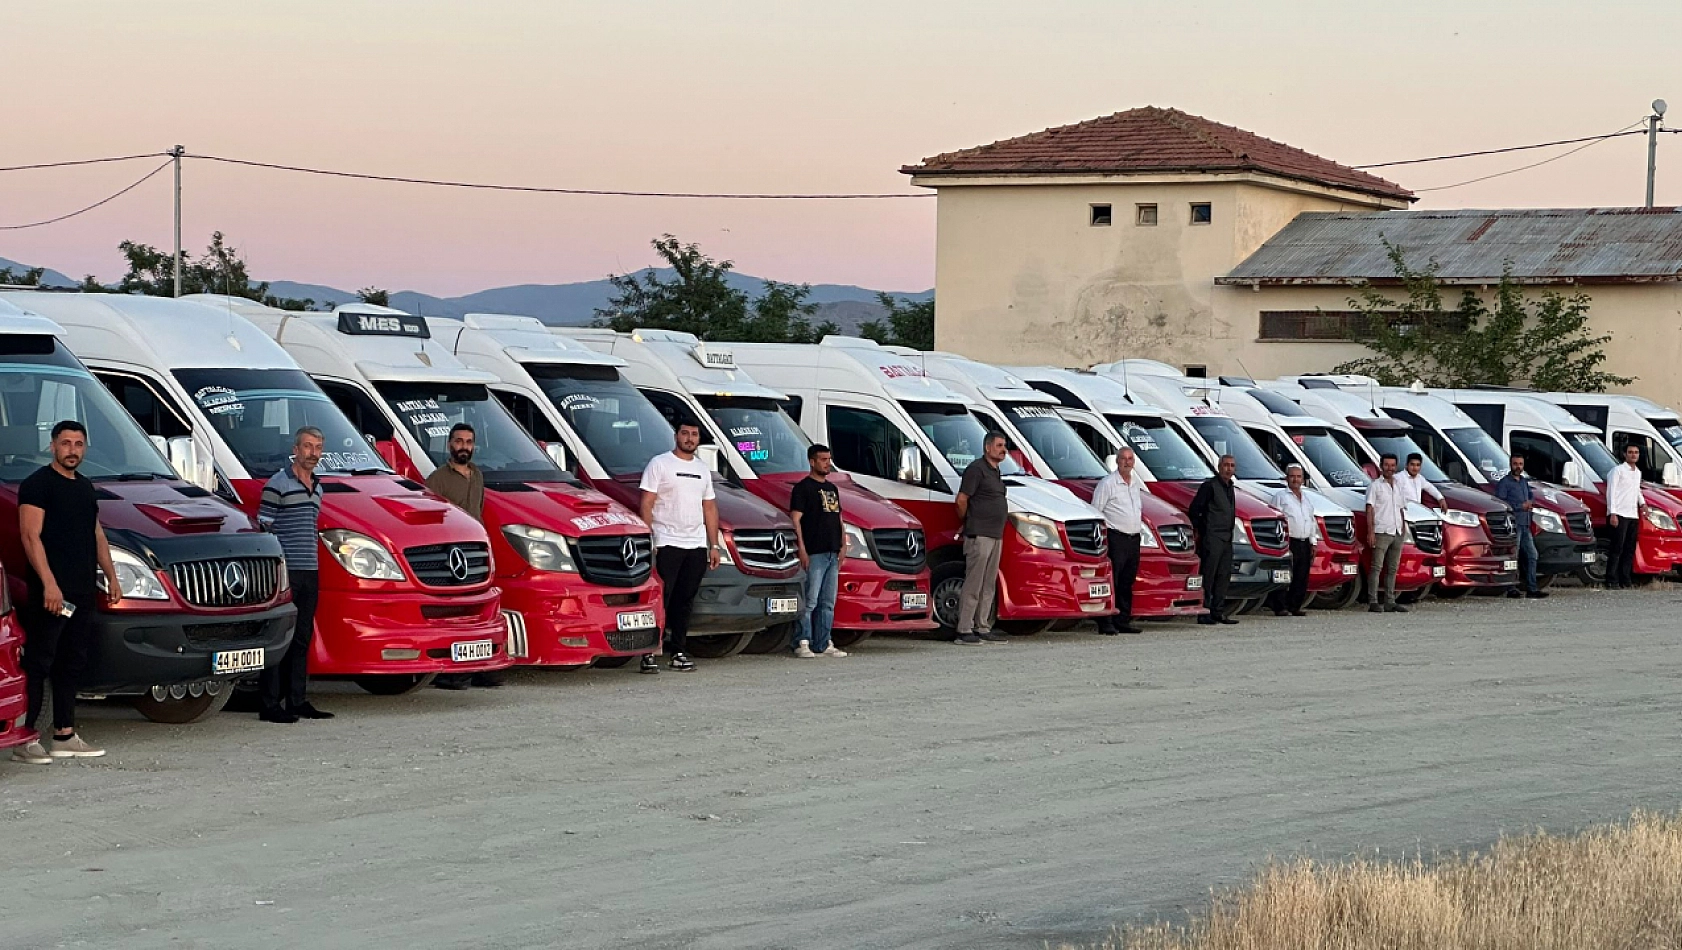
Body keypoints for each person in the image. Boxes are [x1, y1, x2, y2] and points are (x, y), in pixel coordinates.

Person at [11, 421, 119, 764]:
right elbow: (30, 537)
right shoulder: (37, 485)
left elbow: (97, 534)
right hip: (51, 594)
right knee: (40, 662)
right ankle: (24, 739)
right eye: (66, 443)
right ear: (52, 446)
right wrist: (49, 584)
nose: (72, 450)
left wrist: (111, 576)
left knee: (72, 663)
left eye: (79, 444)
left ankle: (64, 735)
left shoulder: (86, 488)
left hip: (82, 591)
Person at [256, 426, 334, 723]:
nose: (313, 453)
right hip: (286, 572)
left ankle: (297, 700)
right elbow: (265, 528)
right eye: (307, 447)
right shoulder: (278, 484)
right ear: (296, 448)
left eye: (318, 448)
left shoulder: (318, 487)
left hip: (309, 570)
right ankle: (270, 704)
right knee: (280, 638)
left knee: (302, 637)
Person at [425, 423, 502, 689]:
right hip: (450, 556)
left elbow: (478, 511)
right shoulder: (437, 479)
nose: (464, 447)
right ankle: (448, 672)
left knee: (478, 609)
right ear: (449, 445)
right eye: (459, 441)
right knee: (453, 611)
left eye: (469, 442)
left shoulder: (478, 476)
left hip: (476, 552)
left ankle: (480, 667)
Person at [639, 422, 720, 672]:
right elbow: (647, 503)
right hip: (666, 542)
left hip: (695, 544)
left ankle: (679, 651)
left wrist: (713, 544)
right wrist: (648, 538)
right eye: (685, 433)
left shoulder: (703, 470)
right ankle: (649, 652)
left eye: (694, 434)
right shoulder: (660, 464)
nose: (689, 438)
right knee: (662, 598)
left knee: (685, 600)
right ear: (676, 436)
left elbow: (709, 507)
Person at [788, 444, 847, 658]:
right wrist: (801, 548)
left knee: (827, 602)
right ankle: (802, 640)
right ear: (812, 461)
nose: (827, 463)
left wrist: (843, 544)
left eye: (828, 459)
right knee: (810, 599)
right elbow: (796, 520)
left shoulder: (833, 489)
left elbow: (838, 517)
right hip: (814, 551)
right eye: (823, 459)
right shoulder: (803, 488)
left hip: (832, 551)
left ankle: (823, 642)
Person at [953, 431, 1009, 645]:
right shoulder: (976, 470)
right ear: (987, 447)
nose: (1003, 450)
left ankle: (982, 626)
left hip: (996, 535)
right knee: (974, 583)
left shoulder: (996, 472)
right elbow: (961, 500)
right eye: (999, 445)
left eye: (1004, 446)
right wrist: (969, 520)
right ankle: (964, 628)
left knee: (988, 584)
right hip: (980, 534)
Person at [1091, 446, 1144, 635]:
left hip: (1133, 539)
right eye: (1123, 458)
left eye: (1130, 459)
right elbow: (1096, 510)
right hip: (1116, 537)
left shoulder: (1135, 483)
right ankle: (1106, 622)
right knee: (1112, 580)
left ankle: (1123, 620)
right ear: (1117, 461)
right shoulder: (1108, 483)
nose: (1127, 462)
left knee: (1127, 582)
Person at [1188, 455, 1239, 626]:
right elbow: (1195, 509)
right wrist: (1204, 530)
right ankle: (1204, 612)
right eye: (1225, 465)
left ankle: (1218, 611)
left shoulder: (1230, 487)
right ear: (1219, 467)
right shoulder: (1209, 486)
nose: (1228, 469)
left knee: (1223, 576)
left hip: (1227, 538)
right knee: (1208, 576)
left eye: (1231, 466)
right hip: (1212, 537)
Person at [1493, 453, 1547, 599]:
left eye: (1520, 464)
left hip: (1525, 524)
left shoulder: (1524, 481)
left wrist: (1530, 504)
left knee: (1532, 555)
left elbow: (1531, 496)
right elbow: (1501, 503)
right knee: (1513, 557)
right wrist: (1519, 506)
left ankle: (1532, 587)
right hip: (1513, 525)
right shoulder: (1504, 483)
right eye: (1515, 464)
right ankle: (1511, 588)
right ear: (1510, 465)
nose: (1518, 467)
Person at [1268, 464, 1319, 617]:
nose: (1295, 479)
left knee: (1301, 575)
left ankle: (1295, 606)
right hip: (1289, 541)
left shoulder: (1307, 499)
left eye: (1298, 476)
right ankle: (1280, 606)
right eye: (1292, 476)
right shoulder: (1280, 497)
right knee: (1285, 574)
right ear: (1287, 478)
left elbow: (1311, 521)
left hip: (1304, 541)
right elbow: (1274, 518)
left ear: (1303, 479)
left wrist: (1313, 542)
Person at [1365, 453, 1409, 613]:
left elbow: (1401, 508)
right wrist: (1370, 532)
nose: (1389, 468)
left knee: (1392, 568)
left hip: (1397, 531)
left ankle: (1390, 601)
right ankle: (1373, 601)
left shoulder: (1398, 486)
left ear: (1396, 467)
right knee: (1376, 567)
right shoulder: (1375, 486)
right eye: (1386, 465)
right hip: (1381, 531)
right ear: (1381, 466)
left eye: (1392, 465)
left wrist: (1403, 527)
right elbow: (1369, 509)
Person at [1605, 443, 1646, 589]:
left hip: (1632, 514)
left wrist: (1642, 503)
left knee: (1629, 548)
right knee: (1617, 548)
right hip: (1620, 513)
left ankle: (1625, 578)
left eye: (1636, 452)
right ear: (1625, 454)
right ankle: (1611, 579)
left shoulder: (1637, 472)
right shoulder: (1617, 471)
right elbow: (1611, 492)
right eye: (1630, 452)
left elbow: (1636, 490)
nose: (1633, 455)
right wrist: (1613, 513)